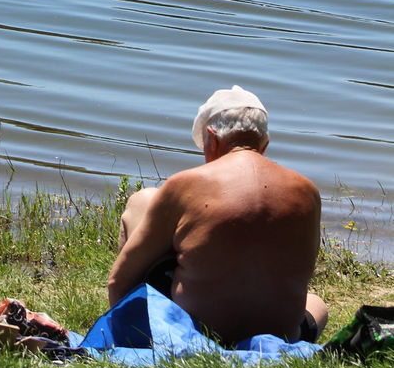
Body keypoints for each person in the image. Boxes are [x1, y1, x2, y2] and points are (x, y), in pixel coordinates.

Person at [107, 85, 328, 345]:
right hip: (282, 336)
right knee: (317, 304)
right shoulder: (307, 191)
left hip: (195, 334)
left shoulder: (186, 184)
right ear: (265, 144)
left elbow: (116, 281)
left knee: (142, 200)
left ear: (212, 138)